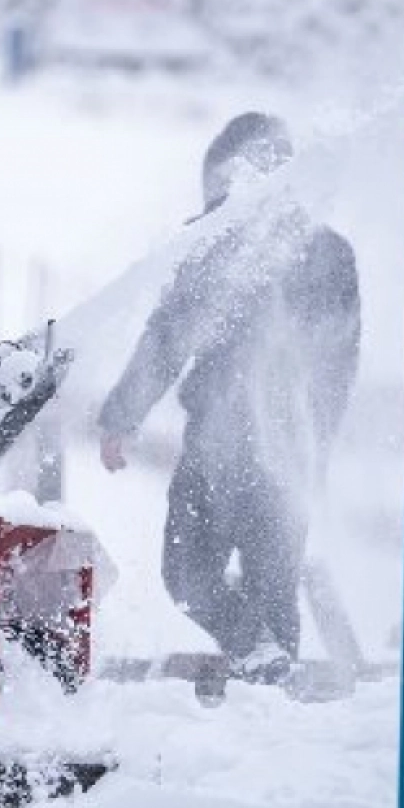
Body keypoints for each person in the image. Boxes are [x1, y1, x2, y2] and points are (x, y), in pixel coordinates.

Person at [97, 112, 361, 685]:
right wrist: (122, 416)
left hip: (266, 445)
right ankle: (262, 663)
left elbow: (337, 363)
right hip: (231, 445)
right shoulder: (222, 244)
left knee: (246, 582)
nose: (215, 201)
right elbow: (169, 335)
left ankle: (267, 696)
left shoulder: (311, 253)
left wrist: (316, 448)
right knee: (203, 578)